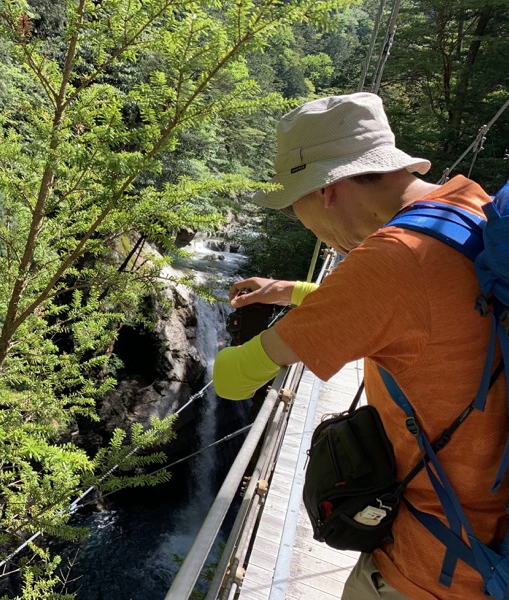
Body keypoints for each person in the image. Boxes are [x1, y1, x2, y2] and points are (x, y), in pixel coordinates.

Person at [212, 92, 509, 599]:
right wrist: (288, 291)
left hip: (431, 568)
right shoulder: (466, 207)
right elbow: (416, 309)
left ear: (326, 190)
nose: (309, 229)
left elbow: (232, 379)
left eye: (294, 204)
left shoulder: (390, 261)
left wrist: (227, 348)